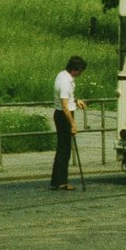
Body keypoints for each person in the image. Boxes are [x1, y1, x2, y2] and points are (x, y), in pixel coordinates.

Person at [51, 56, 87, 191]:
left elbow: (67, 98)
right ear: (75, 70)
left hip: (61, 113)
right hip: (64, 115)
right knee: (64, 149)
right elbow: (65, 106)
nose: (80, 74)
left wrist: (76, 100)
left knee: (63, 148)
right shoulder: (65, 82)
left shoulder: (62, 75)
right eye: (80, 71)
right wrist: (73, 124)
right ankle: (61, 181)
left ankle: (57, 180)